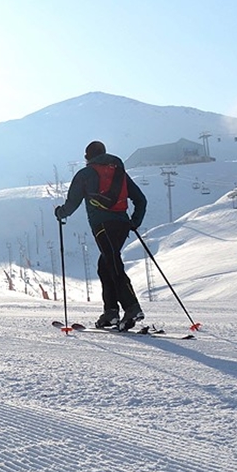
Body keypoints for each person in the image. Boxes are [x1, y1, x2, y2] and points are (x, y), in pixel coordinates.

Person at [54, 140, 149, 330]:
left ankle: (131, 307)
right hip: (122, 225)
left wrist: (60, 213)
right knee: (105, 265)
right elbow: (141, 199)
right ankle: (111, 312)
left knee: (112, 264)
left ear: (87, 157)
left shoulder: (86, 174)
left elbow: (72, 203)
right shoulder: (119, 173)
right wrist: (134, 222)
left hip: (102, 225)